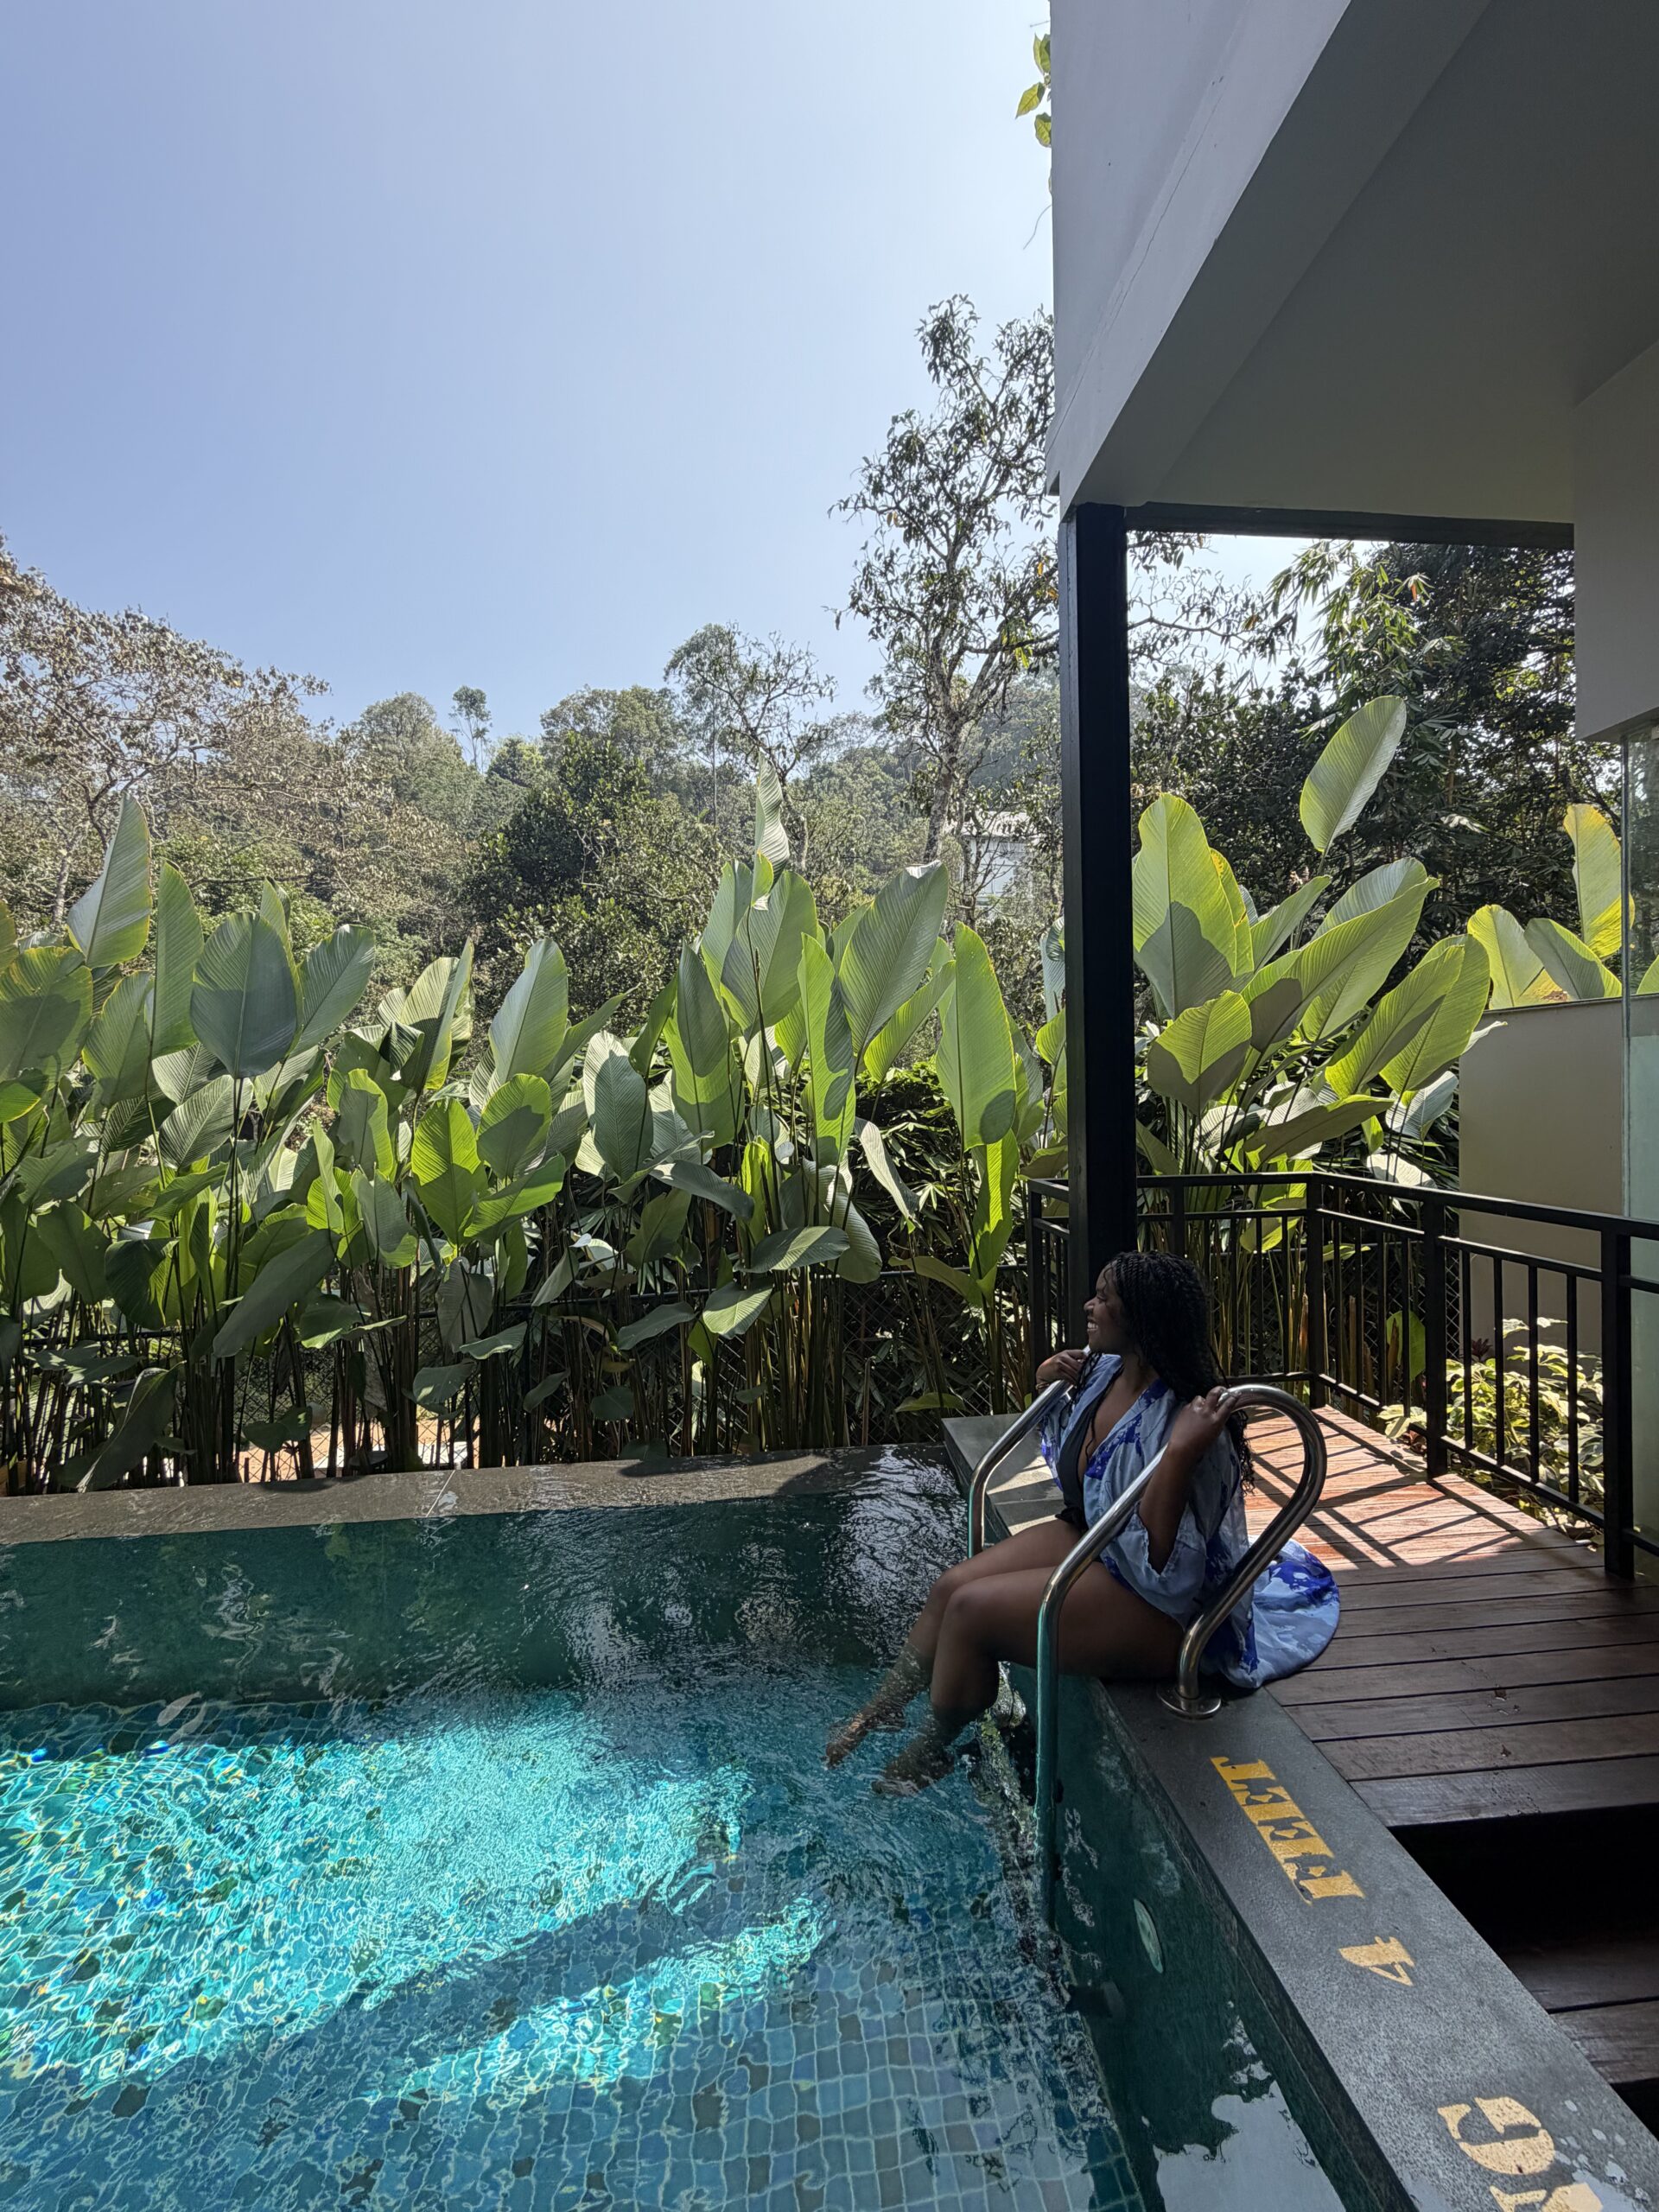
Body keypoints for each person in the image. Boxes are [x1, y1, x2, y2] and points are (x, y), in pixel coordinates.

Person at [826, 1249, 1339, 1794]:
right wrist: (1048, 1378)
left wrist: (1181, 1456)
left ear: (1139, 1319)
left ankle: (935, 1744)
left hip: (1158, 1601)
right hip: (1101, 1539)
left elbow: (1168, 1572)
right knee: (951, 1586)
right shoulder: (1107, 1372)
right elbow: (1083, 1468)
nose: (1089, 1306)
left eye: (1103, 1298)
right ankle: (881, 1708)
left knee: (973, 1615)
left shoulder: (1184, 1418)